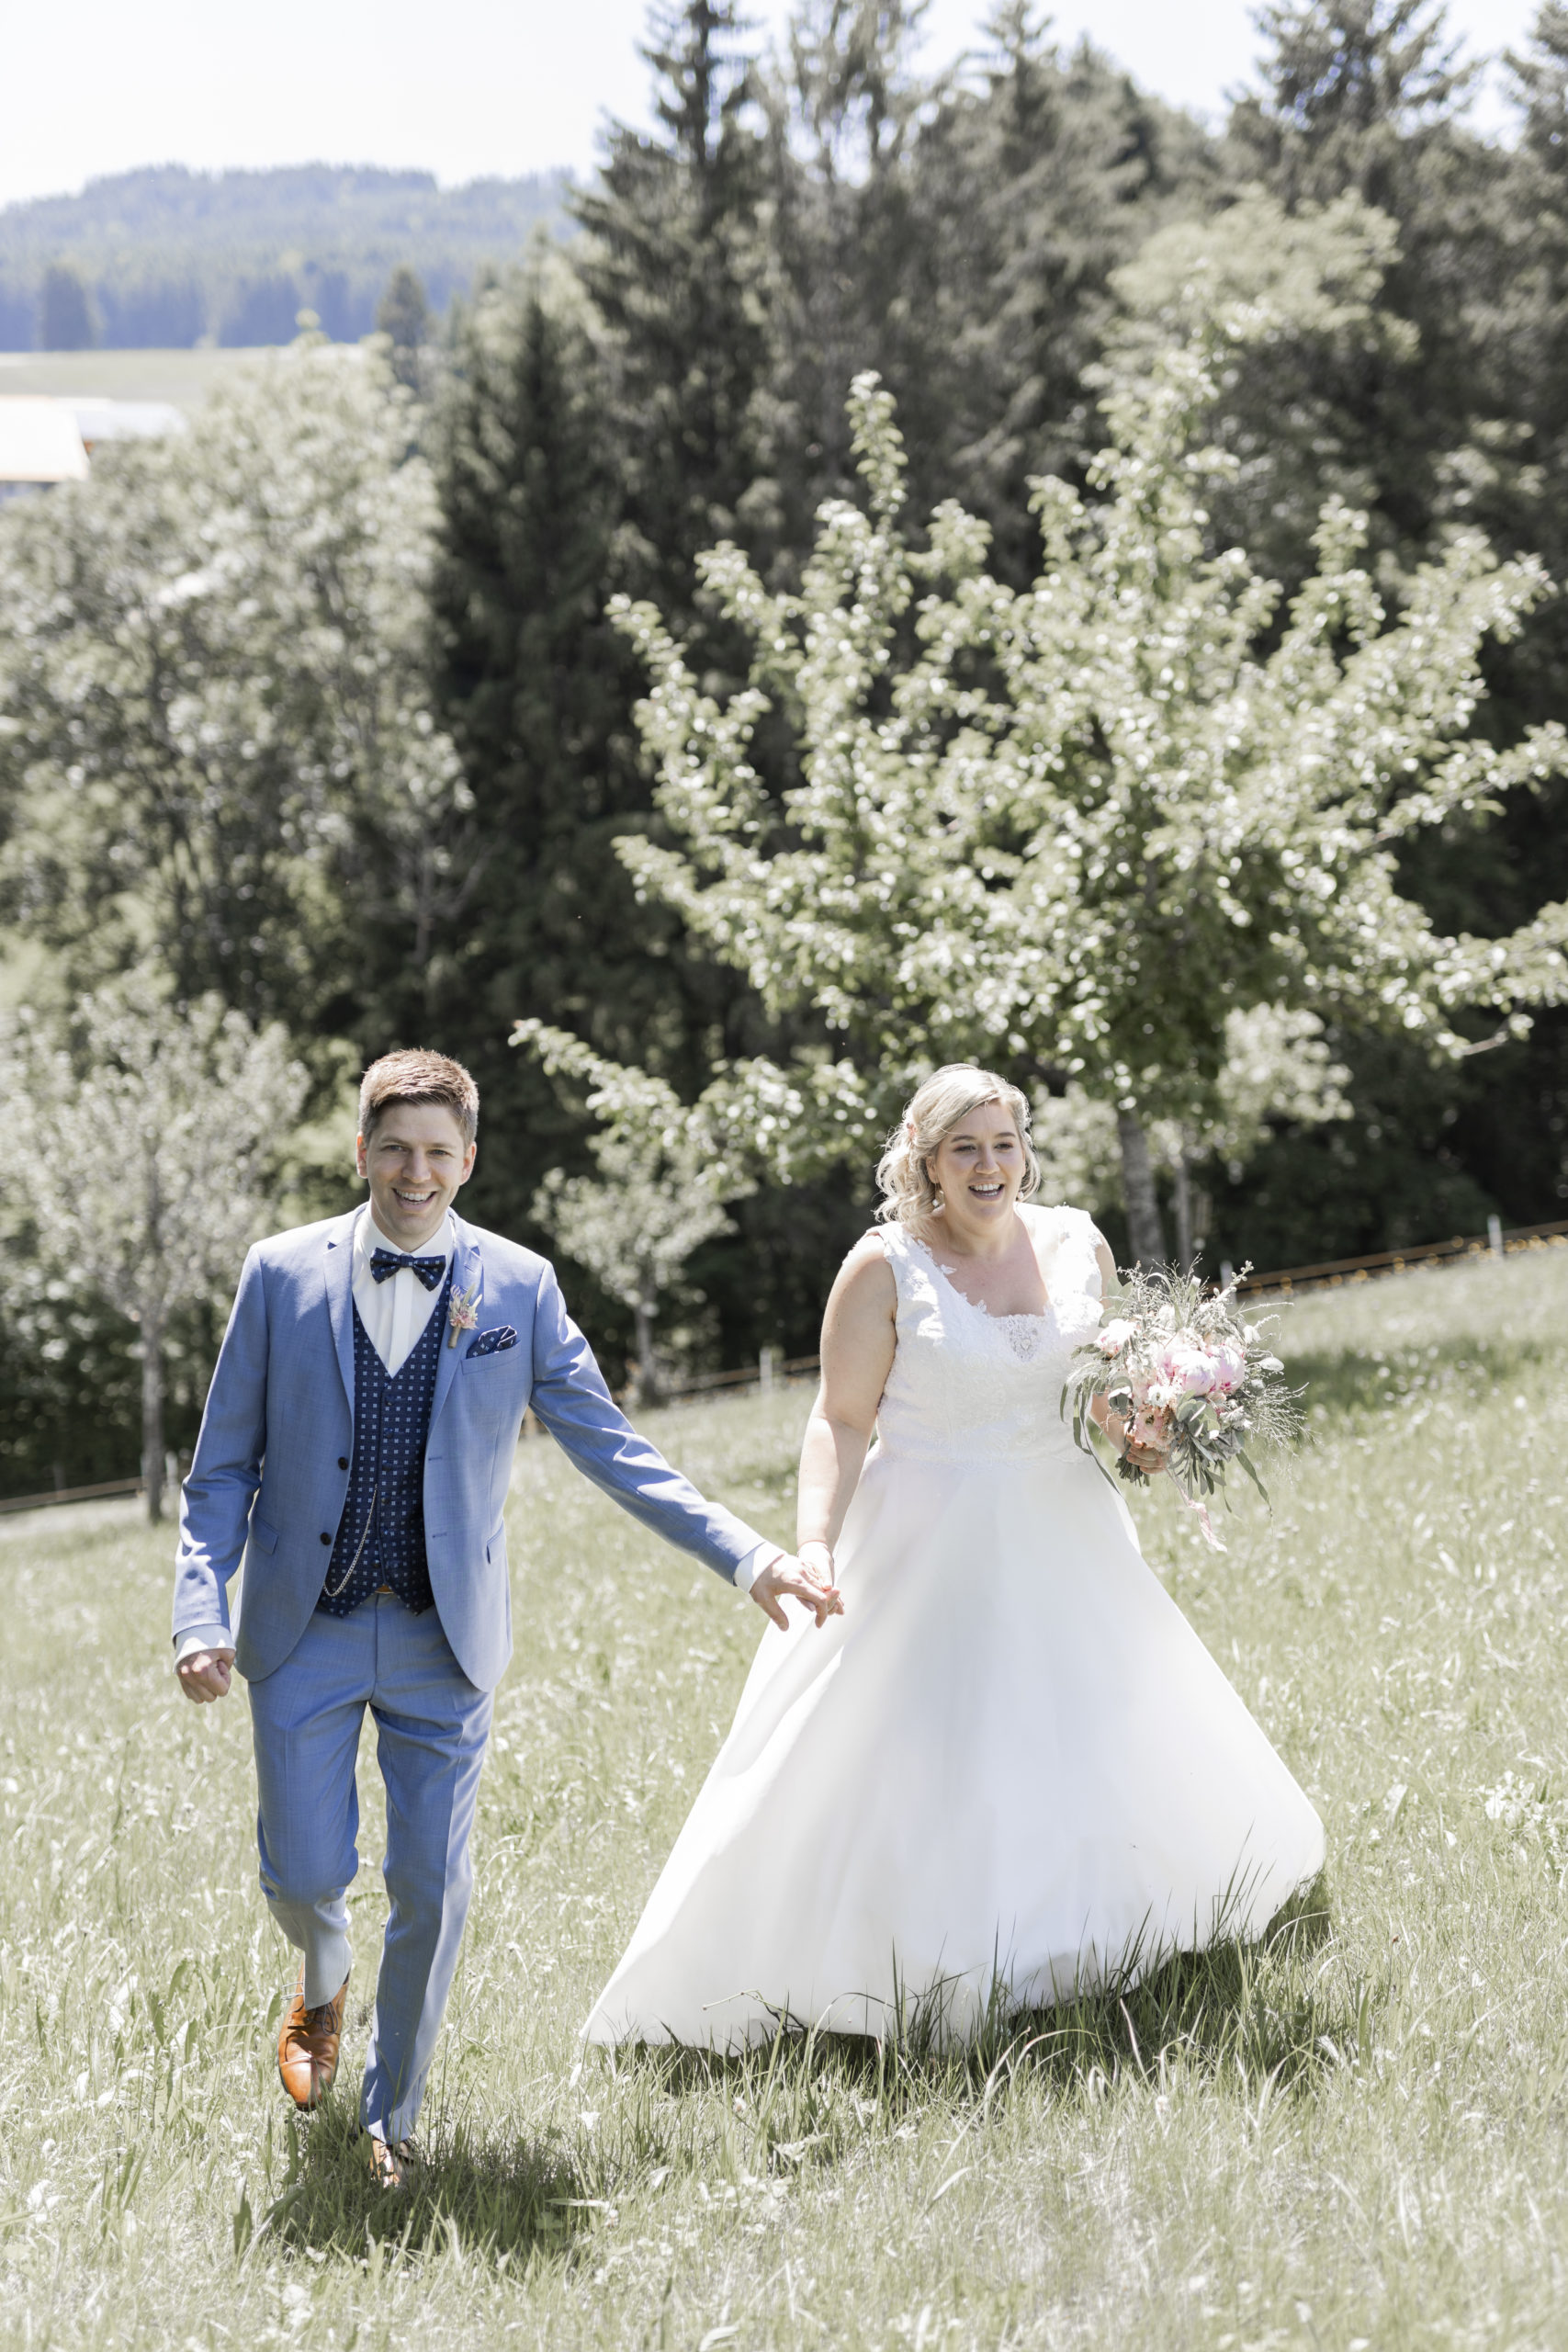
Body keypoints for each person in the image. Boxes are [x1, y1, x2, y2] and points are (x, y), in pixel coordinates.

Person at [173, 1048, 837, 2184]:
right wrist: (201, 1613)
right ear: (362, 1152)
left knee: (433, 1889)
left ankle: (392, 2116)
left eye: (438, 1151)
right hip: (300, 1627)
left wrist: (749, 1555)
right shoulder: (279, 1274)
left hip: (446, 1637)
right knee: (304, 1875)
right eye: (395, 1148)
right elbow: (221, 1466)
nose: (415, 1172)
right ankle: (322, 1975)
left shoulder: (518, 1288)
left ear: (469, 1160)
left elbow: (612, 1445)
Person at [584, 1065, 1325, 2049]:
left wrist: (1142, 1433)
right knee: (930, 1753)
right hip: (926, 1546)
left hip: (1065, 1533)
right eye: (963, 1148)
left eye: (1002, 1144)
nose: (987, 1165)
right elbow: (840, 1420)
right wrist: (815, 1543)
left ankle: (1090, 1926)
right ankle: (916, 1958)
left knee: (1087, 1730)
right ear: (926, 1161)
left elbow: (1094, 1392)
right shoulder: (882, 1267)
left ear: (1025, 1151)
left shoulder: (1077, 1243)